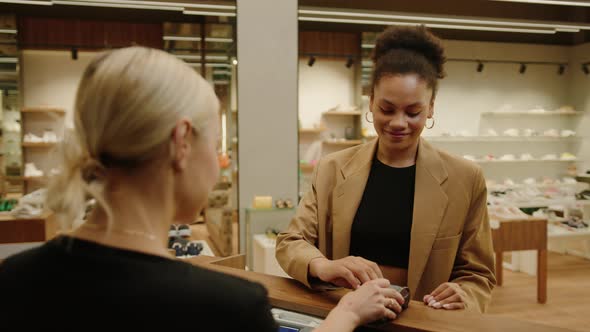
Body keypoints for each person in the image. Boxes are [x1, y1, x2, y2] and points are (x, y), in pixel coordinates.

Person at [0, 47, 402, 330]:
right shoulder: (226, 307)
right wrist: (346, 314)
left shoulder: (15, 279)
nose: (218, 161)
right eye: (216, 145)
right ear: (182, 143)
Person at [276, 25, 496, 313]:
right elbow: (291, 242)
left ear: (430, 108)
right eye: (387, 109)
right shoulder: (332, 169)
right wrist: (323, 266)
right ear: (370, 103)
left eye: (413, 112)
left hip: (424, 324)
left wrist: (463, 294)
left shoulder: (464, 179)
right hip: (346, 318)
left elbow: (478, 275)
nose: (398, 123)